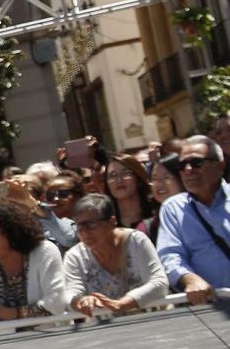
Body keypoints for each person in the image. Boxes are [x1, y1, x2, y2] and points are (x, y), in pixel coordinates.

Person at [0, 199, 74, 325]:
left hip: (55, 339)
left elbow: (56, 304)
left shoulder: (44, 252)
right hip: (4, 342)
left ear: (9, 227)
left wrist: (12, 313)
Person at [64, 195, 169, 318]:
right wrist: (81, 301)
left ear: (112, 221)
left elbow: (159, 283)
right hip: (103, 331)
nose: (84, 231)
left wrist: (122, 304)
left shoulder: (135, 241)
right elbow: (70, 293)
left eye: (91, 224)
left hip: (152, 322)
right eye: (79, 225)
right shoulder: (74, 256)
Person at [154, 135, 230, 304]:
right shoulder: (173, 208)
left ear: (220, 165)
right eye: (182, 165)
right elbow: (170, 255)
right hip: (214, 308)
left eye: (196, 163)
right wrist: (189, 279)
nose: (188, 169)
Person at [104, 154, 158, 232]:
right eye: (112, 175)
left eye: (125, 173)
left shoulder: (157, 215)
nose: (119, 180)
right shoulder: (105, 222)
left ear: (138, 179)